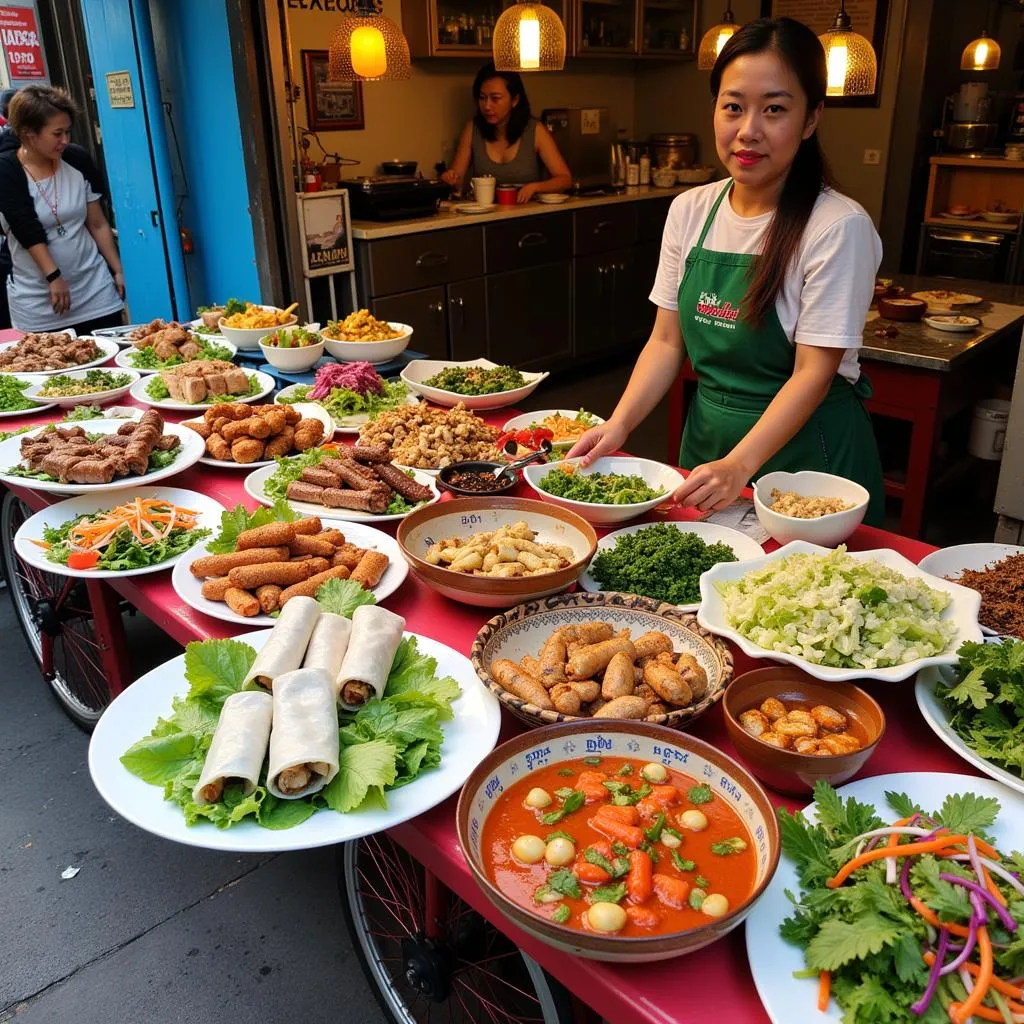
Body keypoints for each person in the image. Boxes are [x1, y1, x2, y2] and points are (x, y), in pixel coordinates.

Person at [568, 17, 885, 525]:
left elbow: (814, 373)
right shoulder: (691, 209)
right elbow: (667, 342)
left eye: (775, 110)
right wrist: (619, 424)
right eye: (733, 107)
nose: (748, 131)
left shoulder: (837, 226)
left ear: (810, 119)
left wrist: (740, 464)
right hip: (709, 447)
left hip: (807, 467)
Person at [0, 85, 124, 335]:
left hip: (93, 288)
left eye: (68, 131)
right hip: (38, 297)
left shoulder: (76, 160)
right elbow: (25, 228)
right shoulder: (7, 170)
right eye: (57, 133)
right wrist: (53, 277)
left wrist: (118, 270)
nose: (65, 140)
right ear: (28, 133)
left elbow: (97, 222)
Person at [441, 62, 572, 204]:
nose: (487, 106)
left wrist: (535, 187)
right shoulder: (473, 129)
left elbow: (564, 179)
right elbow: (457, 179)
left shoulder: (535, 130)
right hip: (487, 214)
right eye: (482, 97)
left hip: (528, 214)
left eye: (495, 98)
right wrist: (450, 178)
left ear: (514, 100)